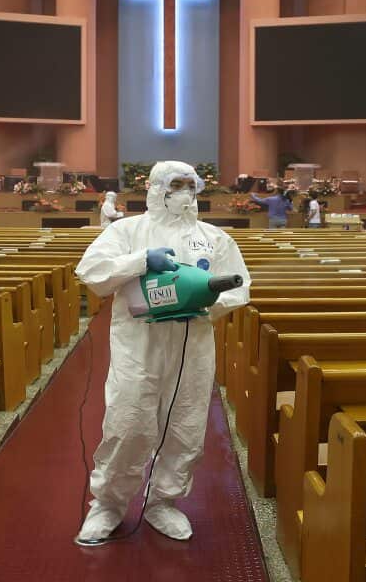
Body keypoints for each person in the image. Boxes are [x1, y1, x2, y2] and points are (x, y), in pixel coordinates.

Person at [74, 161, 251, 545]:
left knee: (185, 425)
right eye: (175, 184)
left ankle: (163, 502)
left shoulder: (214, 238)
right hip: (138, 344)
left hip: (193, 344)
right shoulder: (127, 230)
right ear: (156, 187)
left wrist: (206, 302)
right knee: (128, 421)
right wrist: (140, 261)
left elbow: (240, 286)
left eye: (190, 185)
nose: (183, 192)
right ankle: (107, 504)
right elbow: (92, 271)